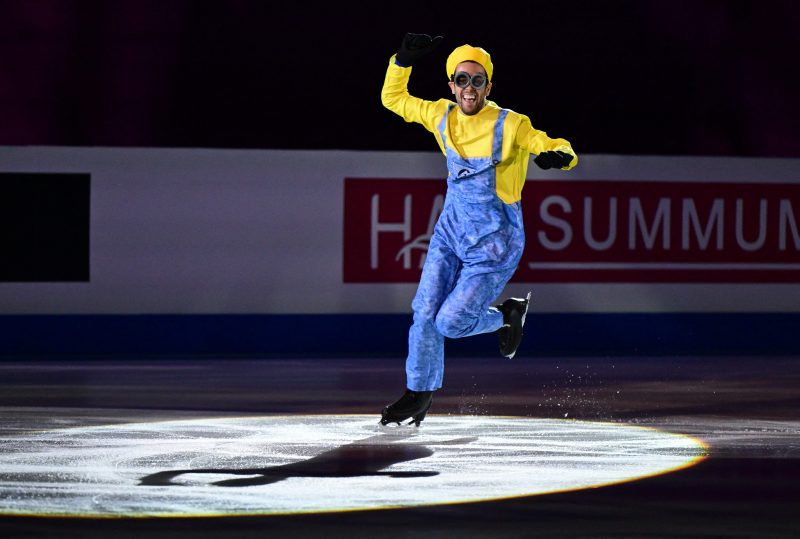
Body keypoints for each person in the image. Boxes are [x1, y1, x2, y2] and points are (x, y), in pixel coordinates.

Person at [379, 33, 578, 426]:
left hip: (495, 244)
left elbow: (550, 142)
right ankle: (418, 393)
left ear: (489, 86)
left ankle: (506, 315)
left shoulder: (511, 123)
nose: (469, 88)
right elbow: (393, 99)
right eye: (462, 80)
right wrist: (402, 61)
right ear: (451, 85)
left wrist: (560, 155)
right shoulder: (441, 115)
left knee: (450, 323)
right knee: (424, 311)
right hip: (450, 233)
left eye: (477, 81)